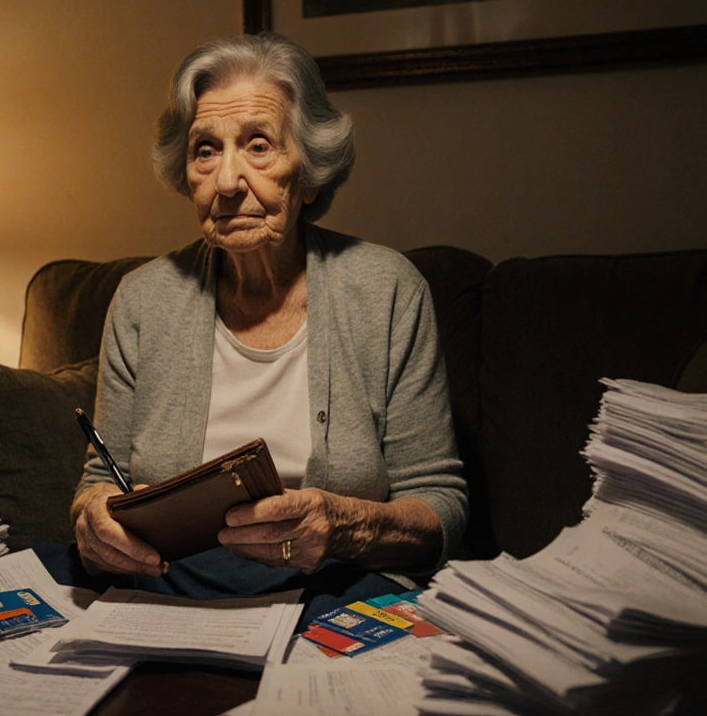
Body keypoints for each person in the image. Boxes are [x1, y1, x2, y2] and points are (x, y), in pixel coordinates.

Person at [59, 32, 466, 600]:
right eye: (205, 150)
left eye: (258, 145)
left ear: (308, 173)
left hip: (331, 584)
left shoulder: (388, 290)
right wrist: (93, 518)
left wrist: (345, 525)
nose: (227, 182)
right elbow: (102, 479)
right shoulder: (142, 300)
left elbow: (441, 508)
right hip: (168, 586)